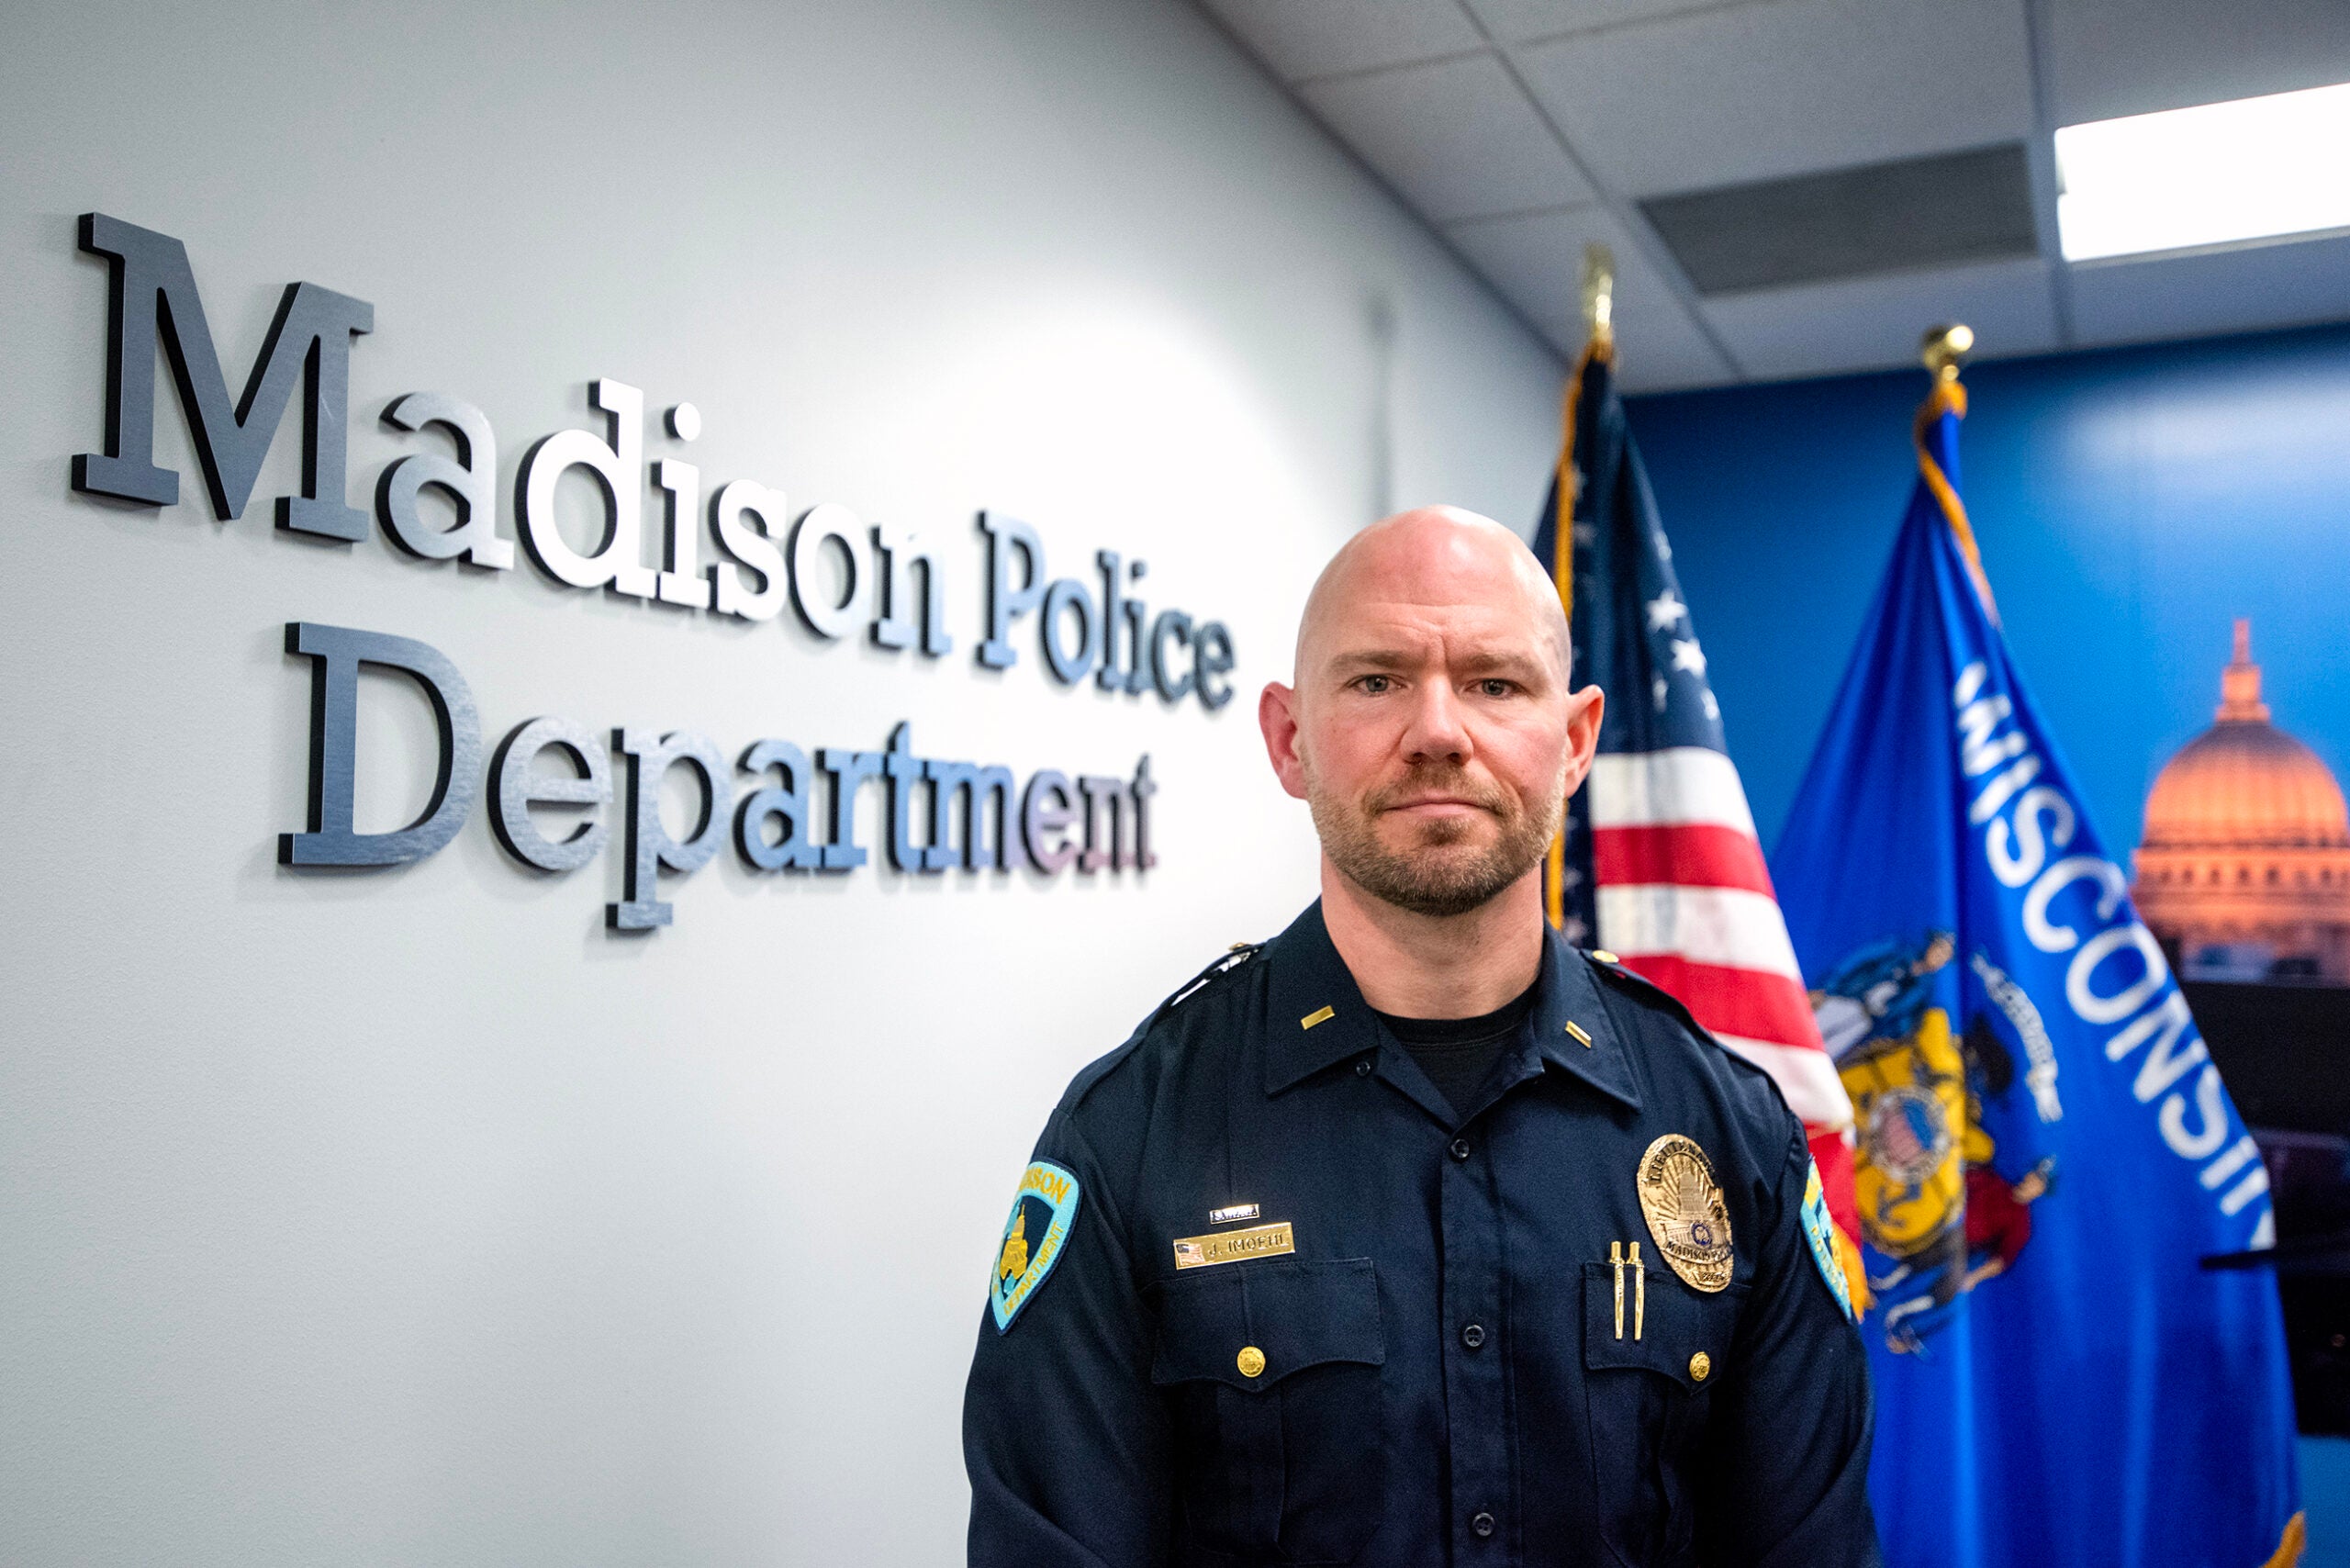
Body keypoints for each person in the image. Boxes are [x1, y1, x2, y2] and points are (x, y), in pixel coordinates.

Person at [963, 506, 1879, 1567]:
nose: (1439, 729)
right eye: (1376, 680)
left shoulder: (1729, 1130)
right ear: (1289, 739)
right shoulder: (1128, 1136)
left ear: (1574, 740)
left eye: (1493, 683)